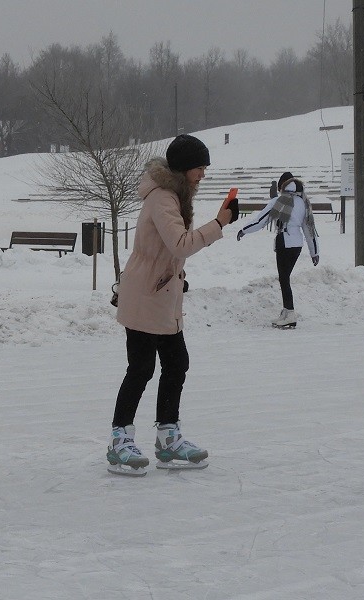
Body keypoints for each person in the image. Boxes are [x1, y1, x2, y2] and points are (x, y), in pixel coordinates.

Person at [107, 134, 237, 475]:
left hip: (162, 296)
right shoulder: (163, 198)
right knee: (141, 369)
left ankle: (168, 436)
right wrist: (220, 223)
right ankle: (120, 441)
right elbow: (180, 244)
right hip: (145, 296)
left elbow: (172, 251)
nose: (203, 174)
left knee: (177, 363)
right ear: (183, 169)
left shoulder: (176, 195)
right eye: (199, 168)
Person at [236, 172, 319, 328]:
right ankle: (287, 312)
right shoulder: (303, 202)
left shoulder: (278, 201)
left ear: (282, 185)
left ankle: (290, 313)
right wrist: (314, 252)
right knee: (285, 278)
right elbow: (309, 229)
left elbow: (261, 220)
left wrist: (244, 230)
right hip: (297, 245)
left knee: (284, 279)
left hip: (283, 242)